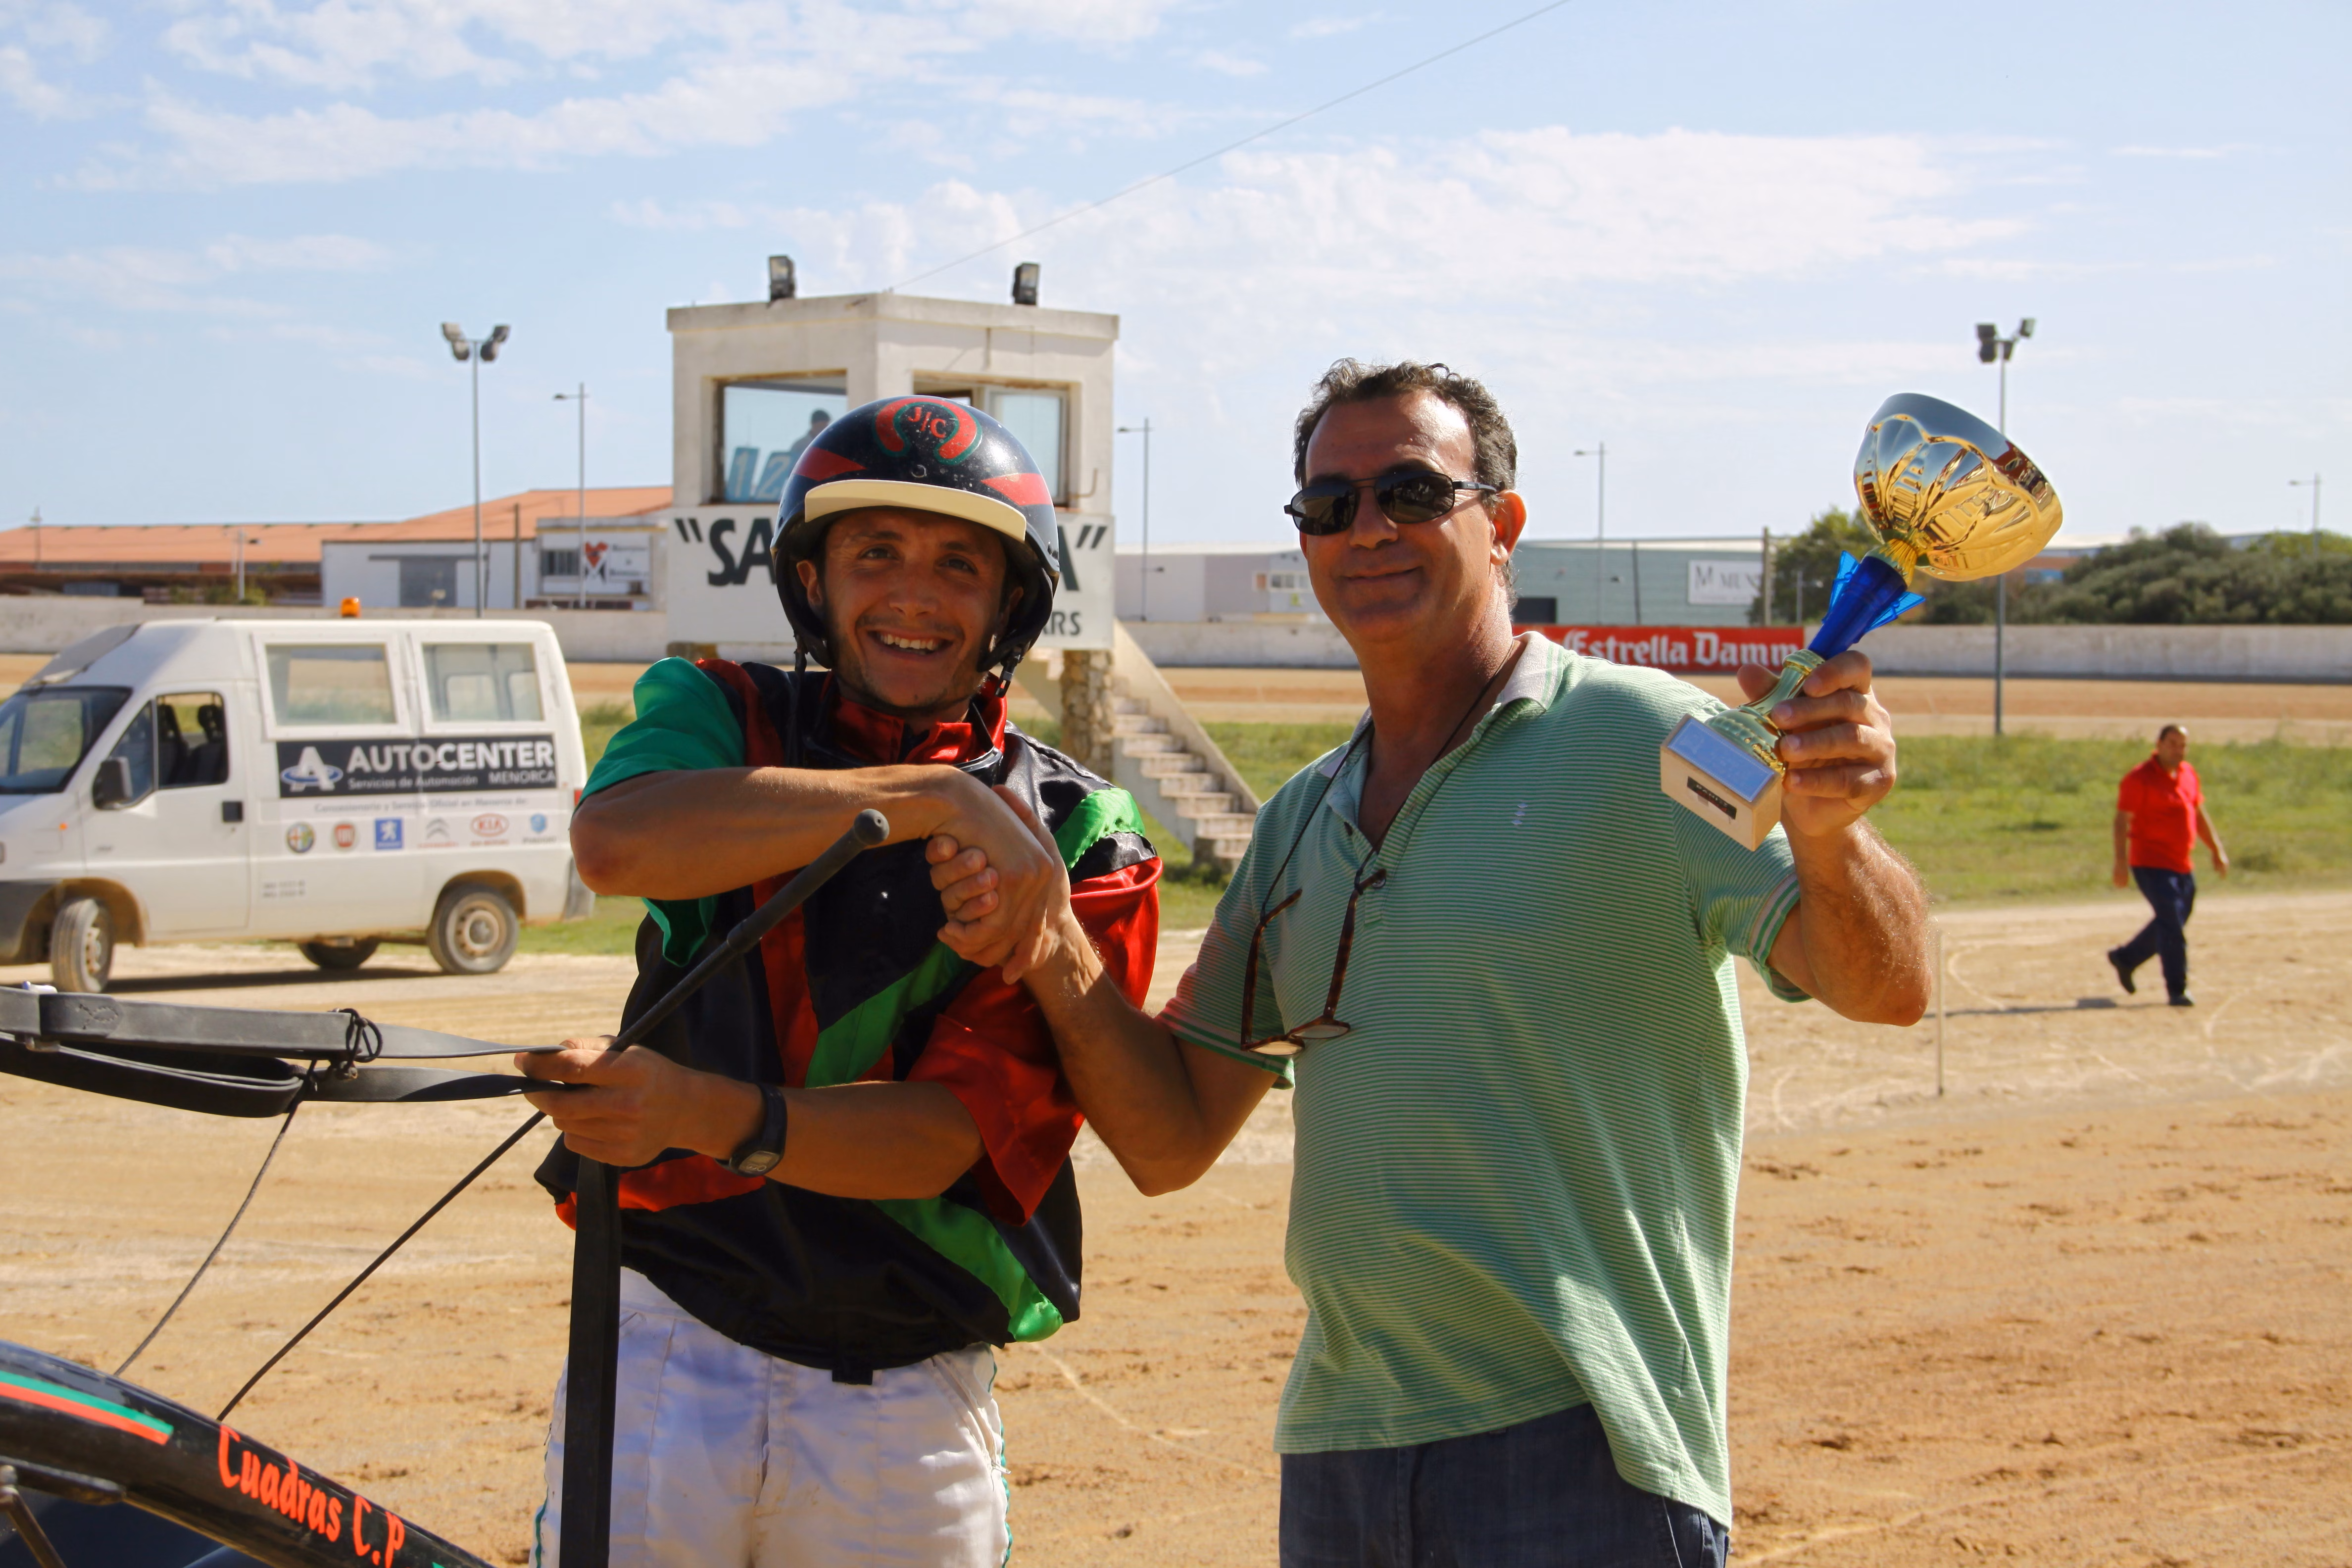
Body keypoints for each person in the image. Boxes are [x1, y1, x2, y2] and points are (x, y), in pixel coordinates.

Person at [928, 360, 1933, 1567]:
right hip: (1342, 1446)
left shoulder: (1641, 736)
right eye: (1328, 504)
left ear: (1499, 522)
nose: (1368, 529)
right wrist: (1048, 941)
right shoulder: (1300, 818)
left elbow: (1886, 986)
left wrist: (1831, 840)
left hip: (1584, 1449)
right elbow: (1169, 1135)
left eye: (1410, 490)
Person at [516, 396, 1160, 1568]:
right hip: (668, 1345)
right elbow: (616, 843)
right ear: (811, 581)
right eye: (874, 552)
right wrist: (932, 800)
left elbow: (942, 1139)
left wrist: (694, 1113)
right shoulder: (718, 709)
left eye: (958, 564)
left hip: (902, 1400)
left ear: (1010, 603)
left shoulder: (1076, 832)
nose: (912, 594)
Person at [2107, 722, 2225, 1006]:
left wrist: (2216, 850)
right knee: (2172, 924)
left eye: (2183, 745)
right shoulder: (2140, 778)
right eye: (2172, 744)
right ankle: (2177, 989)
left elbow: (2197, 813)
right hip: (2150, 863)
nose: (2178, 750)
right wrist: (2120, 863)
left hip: (2182, 864)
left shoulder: (2188, 774)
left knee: (2172, 921)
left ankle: (2126, 958)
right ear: (2158, 745)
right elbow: (2122, 820)